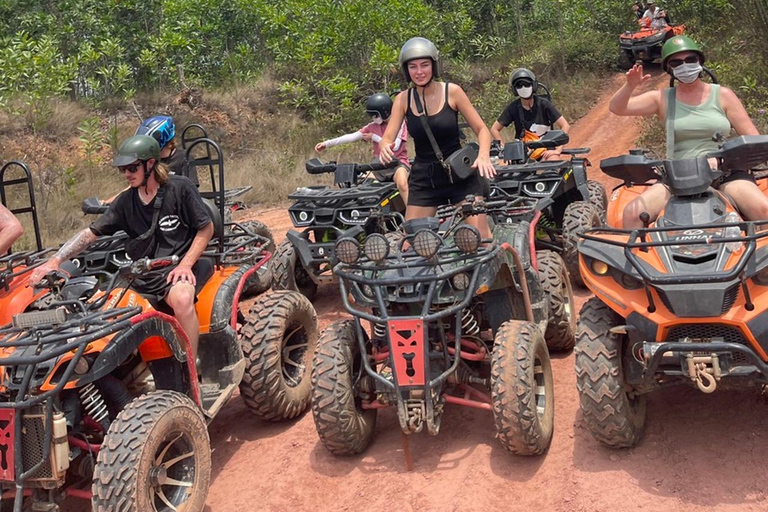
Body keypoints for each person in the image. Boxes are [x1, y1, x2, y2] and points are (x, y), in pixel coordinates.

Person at [31, 135, 214, 359]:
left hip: (177, 267)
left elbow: (206, 228)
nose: (127, 174)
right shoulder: (125, 201)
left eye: (132, 167)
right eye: (123, 169)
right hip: (141, 272)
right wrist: (55, 260)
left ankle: (190, 365)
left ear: (150, 163)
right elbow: (89, 235)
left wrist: (186, 265)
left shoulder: (180, 188)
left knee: (183, 299)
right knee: (97, 307)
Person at [608, 35, 767, 229]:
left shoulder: (723, 95)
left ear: (699, 61)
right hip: (677, 176)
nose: (685, 65)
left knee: (763, 208)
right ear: (670, 69)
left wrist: (731, 158)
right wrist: (630, 85)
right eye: (677, 62)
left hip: (723, 173)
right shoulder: (662, 99)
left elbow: (753, 138)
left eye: (690, 60)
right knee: (632, 213)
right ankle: (640, 257)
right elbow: (618, 108)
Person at [379, 37, 495, 239]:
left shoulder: (452, 92)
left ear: (434, 65)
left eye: (424, 65)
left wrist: (483, 155)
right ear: (407, 71)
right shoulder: (403, 99)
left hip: (459, 173)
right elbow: (387, 136)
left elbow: (482, 129)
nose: (419, 71)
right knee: (412, 244)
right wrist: (384, 146)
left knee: (479, 239)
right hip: (425, 177)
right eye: (413, 67)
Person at [314, 93, 410, 203]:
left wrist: (374, 137)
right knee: (364, 188)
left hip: (398, 164)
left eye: (375, 115)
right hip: (379, 165)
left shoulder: (400, 123)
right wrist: (327, 143)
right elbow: (351, 137)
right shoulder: (372, 126)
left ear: (384, 112)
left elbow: (395, 146)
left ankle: (413, 218)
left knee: (403, 185)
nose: (374, 118)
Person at [101, 116, 193, 205]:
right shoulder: (146, 160)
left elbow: (190, 191)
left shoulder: (184, 158)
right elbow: (132, 188)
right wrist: (107, 202)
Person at [490, 68, 570, 161]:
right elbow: (494, 129)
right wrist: (505, 150)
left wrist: (558, 150)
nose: (523, 88)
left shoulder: (544, 104)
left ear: (533, 85)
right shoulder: (513, 108)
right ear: (515, 90)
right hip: (522, 153)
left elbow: (565, 125)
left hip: (546, 150)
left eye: (526, 84)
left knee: (554, 163)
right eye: (519, 85)